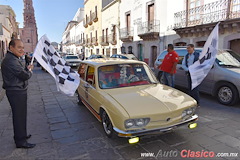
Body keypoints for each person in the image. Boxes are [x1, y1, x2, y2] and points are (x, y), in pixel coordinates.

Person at [1, 39, 35, 149]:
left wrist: (26, 69)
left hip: (19, 90)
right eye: (19, 47)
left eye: (23, 47)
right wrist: (29, 71)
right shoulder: (10, 60)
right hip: (16, 91)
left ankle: (22, 135)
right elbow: (24, 75)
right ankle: (20, 141)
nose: (22, 50)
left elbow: (20, 71)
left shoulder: (14, 58)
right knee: (19, 116)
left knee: (21, 115)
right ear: (11, 48)